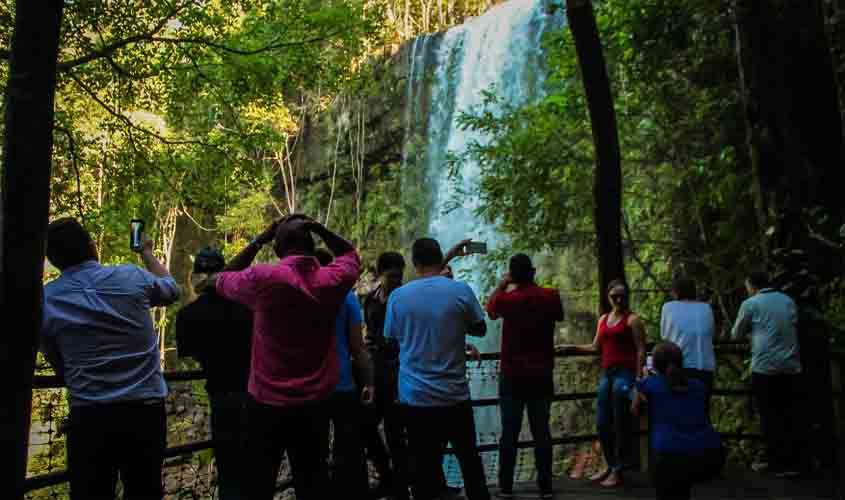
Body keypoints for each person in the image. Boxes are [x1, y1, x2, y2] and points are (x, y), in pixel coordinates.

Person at [213, 215, 361, 500]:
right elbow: (350, 254)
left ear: (278, 248)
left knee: (257, 482)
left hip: (265, 402)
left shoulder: (262, 278)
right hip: (315, 403)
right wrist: (319, 228)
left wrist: (259, 240)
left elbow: (220, 279)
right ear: (311, 243)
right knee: (313, 480)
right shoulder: (332, 280)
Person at [40, 218, 180, 500]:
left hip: (89, 416)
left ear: (53, 260)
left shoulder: (46, 300)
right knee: (145, 491)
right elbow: (171, 289)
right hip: (145, 412)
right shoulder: (131, 276)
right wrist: (146, 252)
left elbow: (57, 361)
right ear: (92, 247)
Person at [384, 238, 491, 500]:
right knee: (469, 461)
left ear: (415, 262)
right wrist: (453, 325)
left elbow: (390, 342)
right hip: (454, 395)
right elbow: (480, 328)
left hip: (416, 398)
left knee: (423, 467)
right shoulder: (460, 291)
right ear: (440, 257)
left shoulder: (399, 297)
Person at [175, 247, 253, 500]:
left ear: (196, 275)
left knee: (228, 467)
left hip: (220, 393)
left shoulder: (188, 315)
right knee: (256, 464)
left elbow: (191, 354)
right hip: (254, 393)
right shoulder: (248, 309)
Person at [486, 254, 563, 499]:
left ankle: (506, 487)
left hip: (512, 375)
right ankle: (546, 486)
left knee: (509, 431)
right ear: (533, 271)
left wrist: (502, 284)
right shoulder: (551, 296)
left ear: (513, 275)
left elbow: (490, 310)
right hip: (541, 373)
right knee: (542, 431)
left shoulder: (508, 299)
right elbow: (559, 316)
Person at [558, 279, 646, 488]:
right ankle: (610, 464)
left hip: (625, 375)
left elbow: (641, 350)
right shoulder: (604, 319)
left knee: (620, 420)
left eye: (622, 295)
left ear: (627, 296)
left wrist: (639, 381)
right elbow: (595, 346)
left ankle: (618, 470)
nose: (618, 299)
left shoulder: (633, 320)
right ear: (608, 296)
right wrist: (572, 347)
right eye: (614, 295)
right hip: (608, 374)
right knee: (602, 421)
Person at [730, 271, 804, 476]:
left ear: (752, 286)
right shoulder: (788, 301)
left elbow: (735, 333)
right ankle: (794, 463)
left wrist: (753, 333)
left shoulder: (751, 303)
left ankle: (776, 464)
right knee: (789, 414)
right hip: (791, 365)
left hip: (765, 366)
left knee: (770, 415)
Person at [314, 249, 375, 499]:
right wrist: (369, 382)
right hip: (343, 383)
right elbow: (357, 347)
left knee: (313, 453)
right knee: (350, 449)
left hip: (310, 388)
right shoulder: (347, 297)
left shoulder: (301, 293)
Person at [631, 342, 725, 500]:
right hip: (710, 456)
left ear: (655, 365)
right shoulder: (699, 386)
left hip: (670, 460)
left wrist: (644, 380)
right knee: (681, 485)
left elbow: (634, 410)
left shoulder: (651, 384)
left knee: (669, 477)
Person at [362, 251, 413, 500]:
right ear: (380, 274)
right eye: (392, 276)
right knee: (366, 428)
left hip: (400, 372)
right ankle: (387, 477)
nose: (396, 281)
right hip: (375, 373)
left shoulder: (406, 299)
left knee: (396, 434)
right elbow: (369, 335)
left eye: (399, 276)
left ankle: (400, 487)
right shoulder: (370, 300)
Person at [660, 276, 716, 415]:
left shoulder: (669, 307)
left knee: (680, 413)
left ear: (676, 292)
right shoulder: (706, 308)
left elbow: (664, 336)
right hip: (705, 368)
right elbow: (711, 333)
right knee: (702, 413)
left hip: (680, 367)